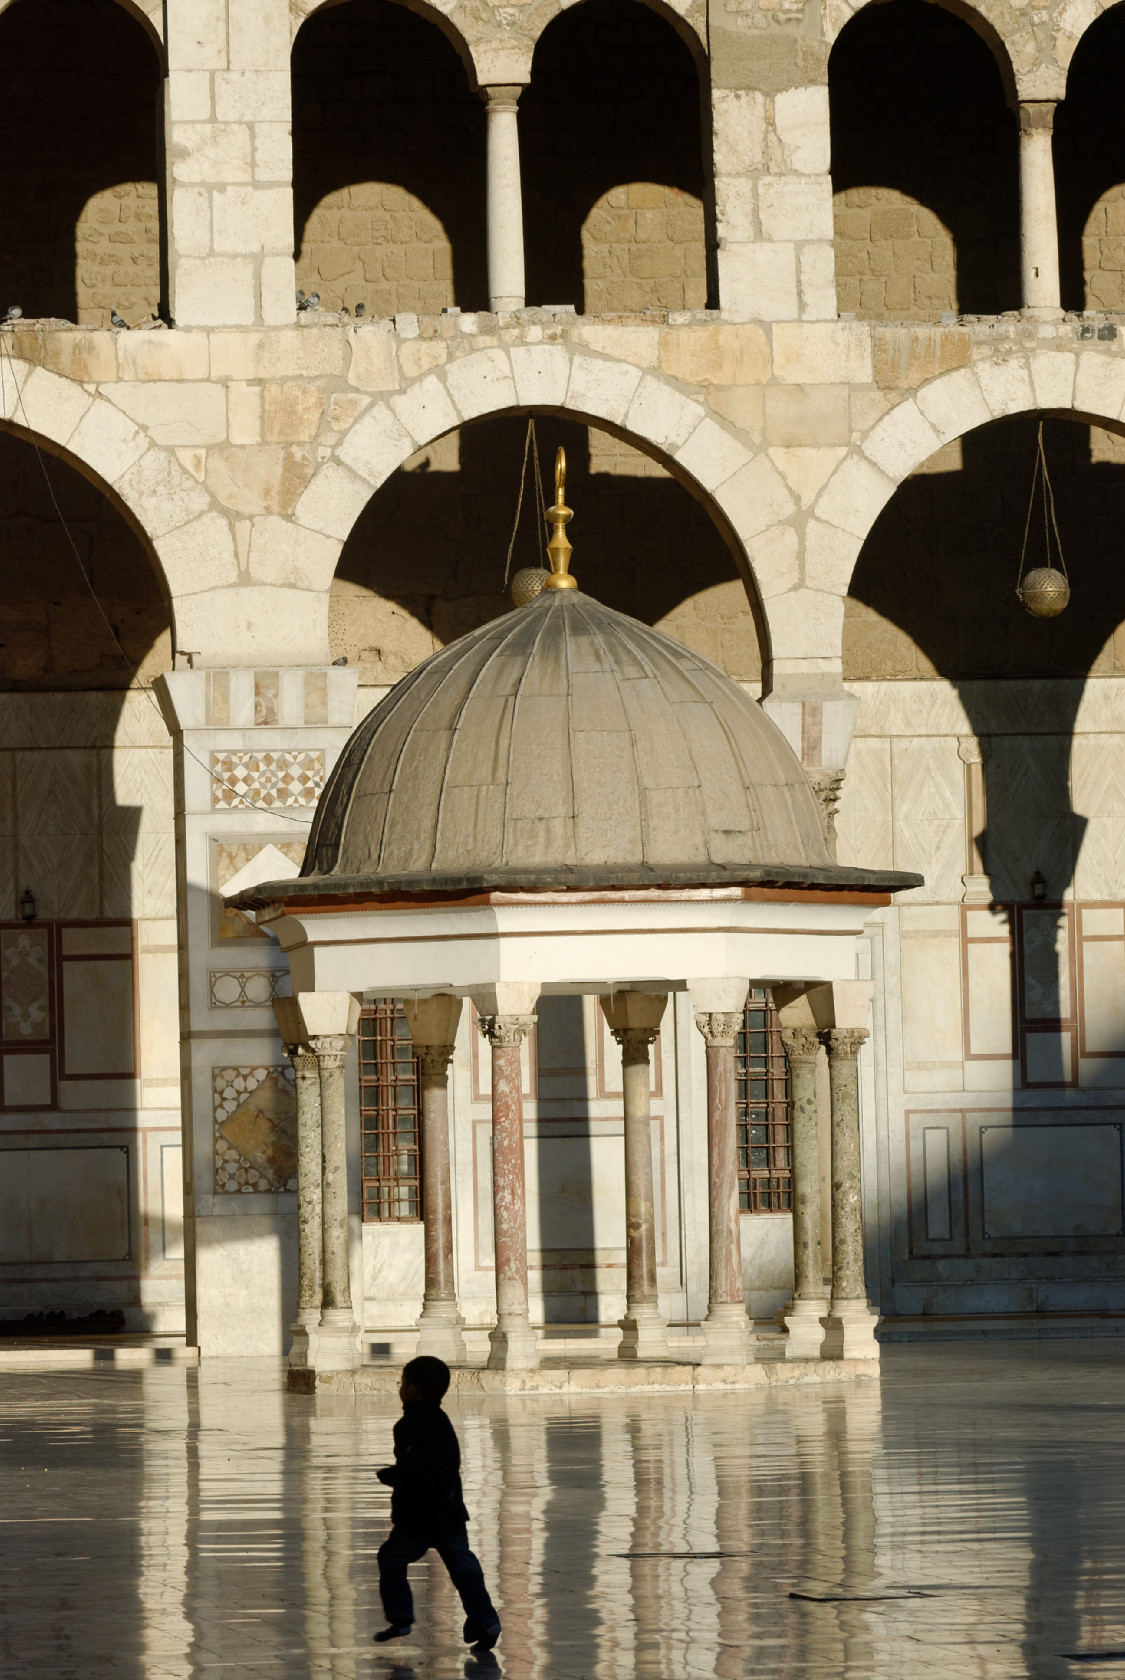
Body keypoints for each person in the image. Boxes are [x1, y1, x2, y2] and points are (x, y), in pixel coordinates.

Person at [373, 1355, 502, 1651]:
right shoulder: (442, 1421)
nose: (400, 1388)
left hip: (419, 1515)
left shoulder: (408, 1424)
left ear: (412, 1390)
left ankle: (401, 1618)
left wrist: (395, 1476)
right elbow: (444, 1462)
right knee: (462, 1565)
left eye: (402, 1383)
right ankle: (486, 1620)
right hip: (449, 1512)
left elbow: (419, 1466)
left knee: (391, 1558)